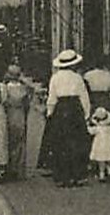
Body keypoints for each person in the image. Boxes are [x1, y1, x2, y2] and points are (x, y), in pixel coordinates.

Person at [39, 50, 92, 187]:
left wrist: (50, 113)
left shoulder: (55, 78)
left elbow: (52, 98)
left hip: (61, 109)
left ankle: (62, 177)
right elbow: (84, 97)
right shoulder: (77, 78)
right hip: (74, 109)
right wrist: (86, 114)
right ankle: (77, 176)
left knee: (60, 143)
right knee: (76, 142)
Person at [1, 64, 34, 182]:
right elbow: (27, 104)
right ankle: (19, 168)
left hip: (10, 114)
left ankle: (10, 167)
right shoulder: (23, 89)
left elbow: (4, 102)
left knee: (9, 141)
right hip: (20, 115)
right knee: (20, 142)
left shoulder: (5, 88)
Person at [87, 105, 110, 182]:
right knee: (109, 158)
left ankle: (102, 174)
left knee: (101, 161)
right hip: (109, 146)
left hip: (100, 147)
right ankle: (109, 169)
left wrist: (87, 125)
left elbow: (90, 131)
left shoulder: (98, 128)